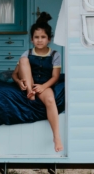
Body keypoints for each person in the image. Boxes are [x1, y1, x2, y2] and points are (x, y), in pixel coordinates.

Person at [12, 12, 63, 152]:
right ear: (31, 39)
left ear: (49, 39)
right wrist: (18, 82)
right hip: (30, 82)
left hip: (44, 83)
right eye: (36, 37)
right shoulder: (27, 53)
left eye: (43, 37)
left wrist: (43, 87)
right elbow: (15, 74)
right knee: (23, 61)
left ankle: (56, 137)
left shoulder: (55, 55)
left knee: (51, 101)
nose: (39, 40)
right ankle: (30, 92)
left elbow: (55, 77)